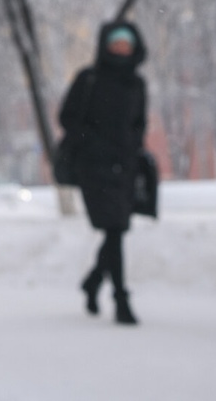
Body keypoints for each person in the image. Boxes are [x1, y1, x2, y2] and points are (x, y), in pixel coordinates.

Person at [59, 20, 148, 325]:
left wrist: (133, 149)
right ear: (106, 45)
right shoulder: (89, 78)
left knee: (116, 229)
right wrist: (92, 143)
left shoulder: (137, 83)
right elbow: (67, 117)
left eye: (127, 42)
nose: (122, 47)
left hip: (124, 167)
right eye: (116, 42)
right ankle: (121, 299)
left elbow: (139, 125)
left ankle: (95, 280)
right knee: (115, 229)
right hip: (93, 168)